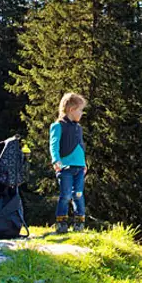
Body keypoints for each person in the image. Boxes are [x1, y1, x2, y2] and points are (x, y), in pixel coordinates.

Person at [50, 92, 87, 234]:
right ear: (71, 109)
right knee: (65, 195)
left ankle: (79, 223)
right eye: (80, 110)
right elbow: (53, 145)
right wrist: (56, 160)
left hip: (79, 167)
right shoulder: (58, 126)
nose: (82, 113)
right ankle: (61, 222)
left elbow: (81, 146)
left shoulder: (78, 127)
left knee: (78, 194)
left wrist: (84, 163)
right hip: (65, 167)